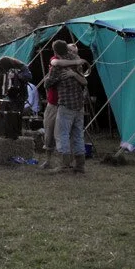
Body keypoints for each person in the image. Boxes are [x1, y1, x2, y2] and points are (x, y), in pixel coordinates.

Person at [44, 40, 89, 173]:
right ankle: (80, 165)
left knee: (61, 134)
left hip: (66, 104)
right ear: (67, 49)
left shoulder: (58, 65)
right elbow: (84, 80)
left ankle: (64, 164)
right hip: (79, 105)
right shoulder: (76, 61)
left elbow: (48, 83)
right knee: (77, 135)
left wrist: (48, 79)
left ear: (55, 51)